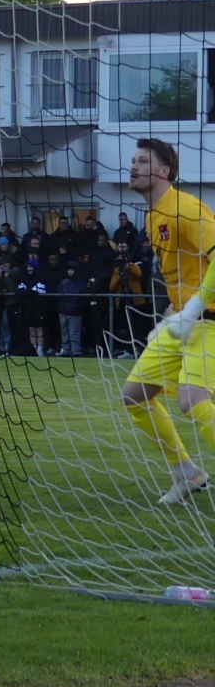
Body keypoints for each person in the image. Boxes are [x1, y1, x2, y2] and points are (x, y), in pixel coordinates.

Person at [119, 137, 215, 505]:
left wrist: (190, 311)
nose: (134, 166)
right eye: (133, 160)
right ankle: (188, 474)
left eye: (143, 161)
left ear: (165, 171)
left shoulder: (186, 208)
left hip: (209, 318)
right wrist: (169, 316)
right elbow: (184, 274)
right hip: (183, 318)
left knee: (192, 400)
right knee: (134, 396)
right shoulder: (152, 215)